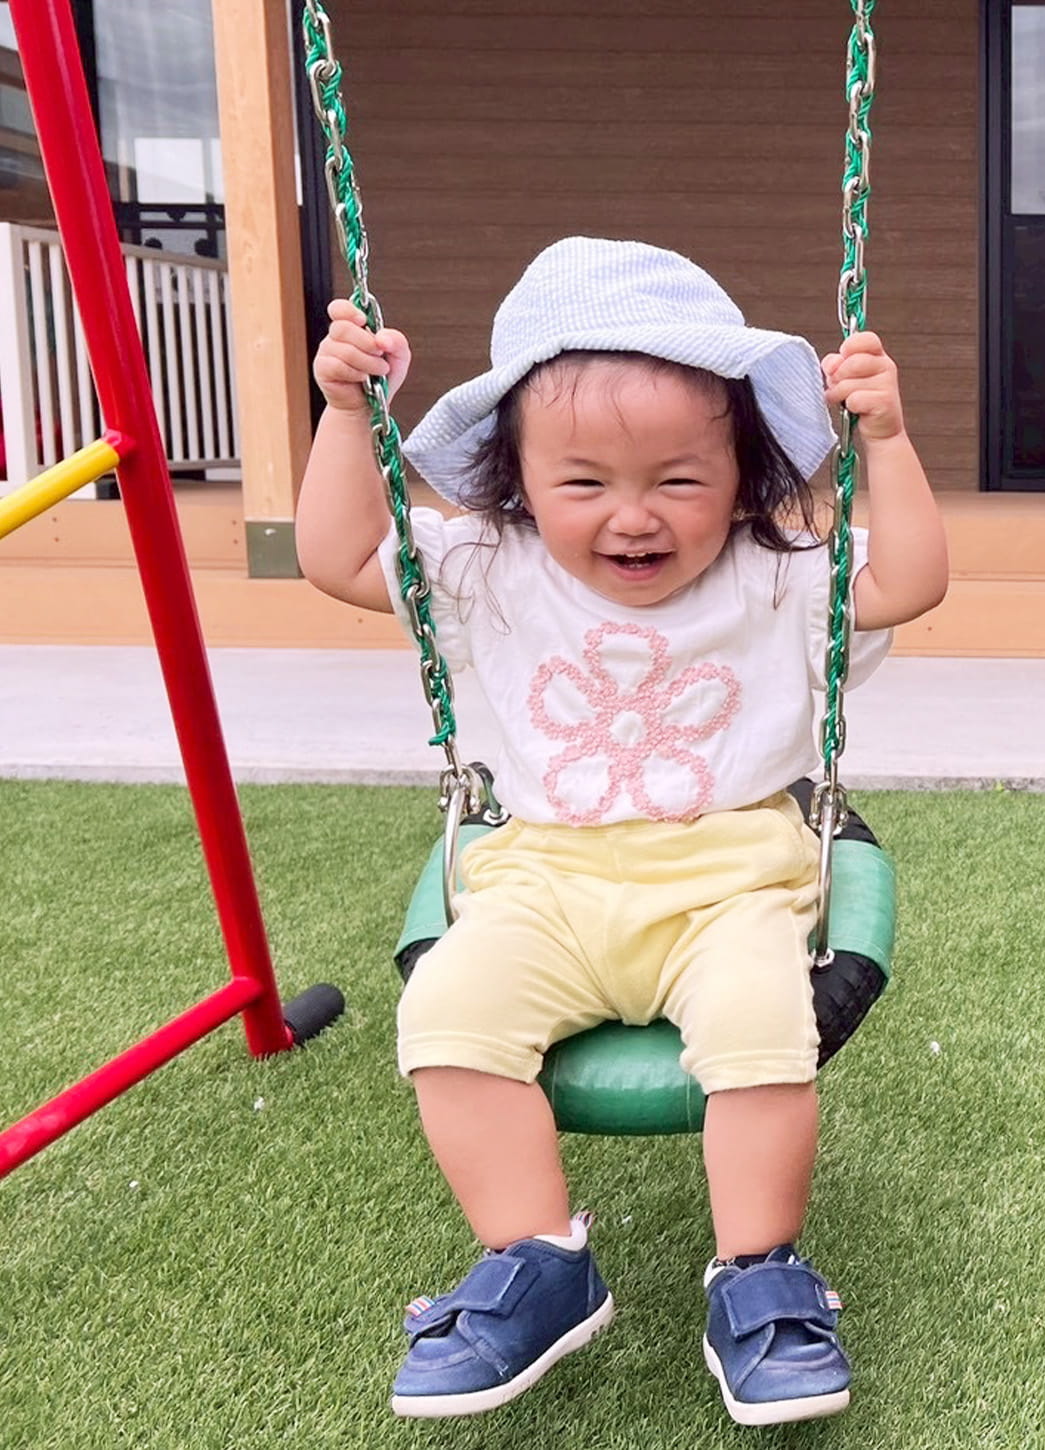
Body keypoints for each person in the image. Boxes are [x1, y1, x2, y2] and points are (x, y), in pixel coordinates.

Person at [295, 236, 948, 1423]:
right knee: (445, 1016)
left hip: (733, 880)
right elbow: (337, 554)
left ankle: (760, 1275)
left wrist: (887, 444)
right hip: (543, 877)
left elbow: (909, 581)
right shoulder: (488, 567)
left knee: (763, 1027)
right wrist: (348, 418)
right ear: (516, 479)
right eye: (584, 482)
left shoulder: (774, 574)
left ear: (744, 477)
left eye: (681, 481)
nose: (633, 516)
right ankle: (537, 1260)